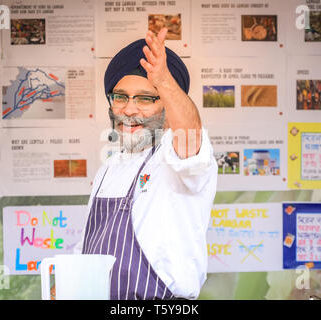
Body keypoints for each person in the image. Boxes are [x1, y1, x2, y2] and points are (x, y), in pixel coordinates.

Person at [74, 28, 218, 300]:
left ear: (168, 104)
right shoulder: (109, 168)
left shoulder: (179, 158)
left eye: (145, 98)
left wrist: (164, 80)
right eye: (121, 97)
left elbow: (189, 131)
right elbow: (89, 246)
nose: (129, 110)